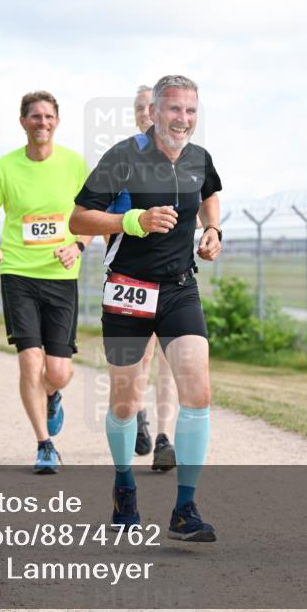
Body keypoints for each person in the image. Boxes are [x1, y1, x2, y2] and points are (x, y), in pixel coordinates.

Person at [70, 74, 222, 541]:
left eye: (191, 111)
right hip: (129, 289)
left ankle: (184, 508)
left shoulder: (199, 158)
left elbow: (210, 194)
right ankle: (123, 486)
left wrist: (213, 231)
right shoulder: (123, 156)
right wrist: (131, 220)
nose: (183, 119)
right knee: (125, 400)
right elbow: (78, 217)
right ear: (154, 112)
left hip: (179, 288)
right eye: (174, 110)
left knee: (197, 391)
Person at [0, 90, 92, 474]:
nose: (42, 122)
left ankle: (52, 394)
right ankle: (44, 445)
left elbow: (92, 216)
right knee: (29, 361)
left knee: (57, 371)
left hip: (60, 275)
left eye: (48, 116)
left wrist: (78, 246)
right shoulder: (5, 168)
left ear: (57, 121)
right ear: (23, 121)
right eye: (35, 116)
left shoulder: (74, 164)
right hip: (18, 274)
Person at [123, 84, 178, 470]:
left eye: (152, 107)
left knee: (169, 356)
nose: (147, 113)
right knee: (141, 358)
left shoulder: (183, 157)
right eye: (141, 108)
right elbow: (101, 211)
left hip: (174, 272)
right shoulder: (122, 158)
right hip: (131, 272)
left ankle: (164, 438)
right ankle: (138, 413)